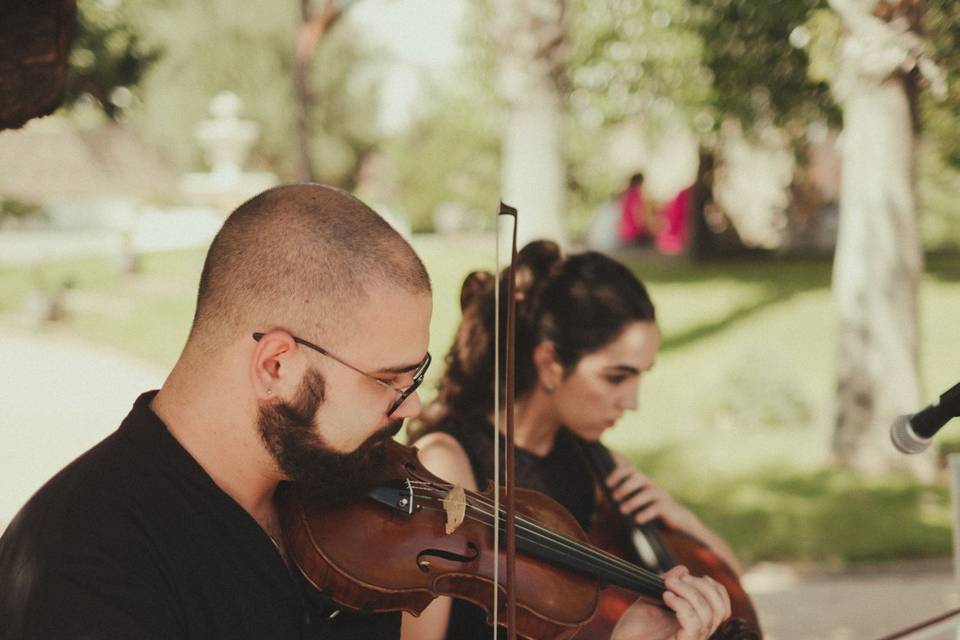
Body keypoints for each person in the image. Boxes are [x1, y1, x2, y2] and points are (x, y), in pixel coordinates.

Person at [0, 185, 726, 640]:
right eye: (388, 380)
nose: (410, 410)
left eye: (416, 376)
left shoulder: (351, 508)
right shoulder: (85, 564)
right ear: (276, 365)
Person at [402, 240, 740, 640]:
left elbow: (733, 582)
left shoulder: (589, 460)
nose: (632, 401)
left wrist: (677, 516)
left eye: (641, 375)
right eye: (617, 377)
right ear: (550, 362)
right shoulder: (449, 462)